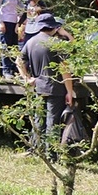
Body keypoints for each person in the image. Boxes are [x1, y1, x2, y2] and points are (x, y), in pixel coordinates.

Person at [16, 13, 75, 155]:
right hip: (56, 88)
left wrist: (27, 78)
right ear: (54, 27)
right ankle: (51, 154)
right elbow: (65, 69)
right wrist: (69, 91)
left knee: (38, 119)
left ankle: (36, 150)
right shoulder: (56, 44)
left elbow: (19, 60)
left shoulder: (30, 42)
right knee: (52, 122)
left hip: (38, 86)